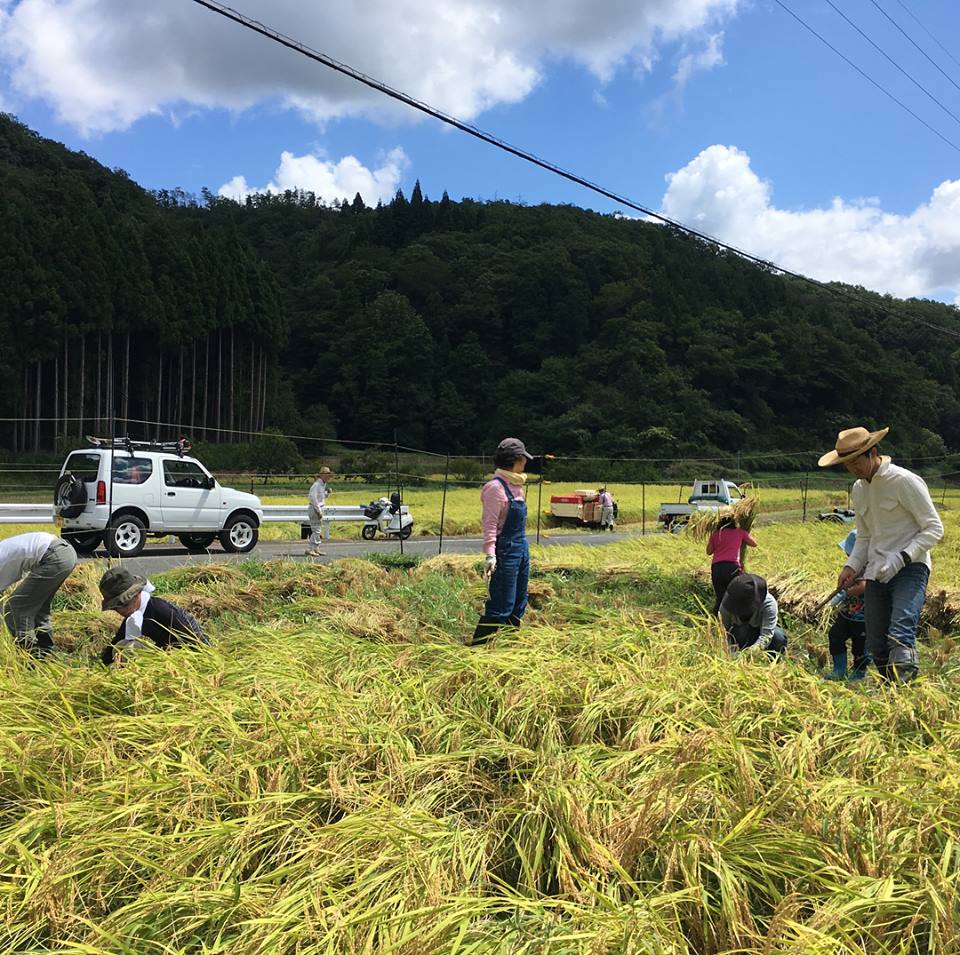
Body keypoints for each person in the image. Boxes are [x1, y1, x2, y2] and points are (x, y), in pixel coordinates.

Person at [819, 426, 943, 683]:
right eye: (847, 464)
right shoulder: (859, 489)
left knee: (900, 634)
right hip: (876, 571)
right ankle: (890, 692)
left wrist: (902, 557)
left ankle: (905, 697)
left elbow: (934, 528)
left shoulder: (904, 481)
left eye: (856, 462)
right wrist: (851, 565)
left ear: (872, 452)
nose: (853, 469)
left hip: (911, 569)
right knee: (876, 643)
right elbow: (864, 536)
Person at [471, 437, 534, 646]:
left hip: (521, 548)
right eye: (523, 459)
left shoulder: (516, 485)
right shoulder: (495, 488)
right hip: (505, 549)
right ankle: (478, 648)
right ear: (515, 460)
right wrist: (490, 554)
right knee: (502, 602)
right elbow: (489, 524)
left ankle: (509, 647)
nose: (525, 463)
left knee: (518, 602)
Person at [99, 567, 208, 666]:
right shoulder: (133, 616)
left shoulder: (161, 611)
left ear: (137, 594)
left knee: (133, 649)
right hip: (165, 654)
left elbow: (194, 642)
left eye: (125, 605)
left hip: (186, 656)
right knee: (121, 646)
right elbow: (113, 647)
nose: (121, 611)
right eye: (116, 608)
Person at [0, 532, 77, 657]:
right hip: (65, 553)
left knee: (15, 608)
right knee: (39, 609)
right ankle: (46, 653)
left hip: (53, 556)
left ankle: (30, 658)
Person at [825, 530, 869, 681]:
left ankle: (858, 672)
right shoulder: (851, 568)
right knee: (835, 635)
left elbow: (864, 587)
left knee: (860, 646)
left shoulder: (869, 567)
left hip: (863, 617)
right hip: (846, 613)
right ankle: (839, 669)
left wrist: (847, 591)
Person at [719, 573, 788, 657]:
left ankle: (773, 660)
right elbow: (724, 632)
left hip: (761, 632)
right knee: (742, 632)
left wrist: (748, 655)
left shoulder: (769, 605)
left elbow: (766, 635)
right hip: (741, 633)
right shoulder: (727, 605)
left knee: (778, 637)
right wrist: (729, 653)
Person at [706, 515, 758, 614]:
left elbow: (709, 551)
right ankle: (735, 620)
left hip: (717, 568)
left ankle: (717, 620)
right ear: (734, 523)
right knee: (735, 594)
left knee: (720, 596)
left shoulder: (716, 534)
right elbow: (754, 543)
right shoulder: (740, 532)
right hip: (732, 567)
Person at [306, 466, 334, 557]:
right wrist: (318, 511)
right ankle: (310, 549)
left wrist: (327, 493)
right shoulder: (317, 485)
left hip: (317, 508)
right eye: (326, 474)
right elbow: (313, 498)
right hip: (314, 509)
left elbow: (320, 498)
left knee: (317, 530)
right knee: (316, 530)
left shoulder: (322, 484)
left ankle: (316, 548)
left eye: (328, 475)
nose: (327, 477)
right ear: (321, 475)